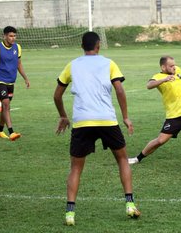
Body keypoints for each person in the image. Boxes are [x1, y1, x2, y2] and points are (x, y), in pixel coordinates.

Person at [53, 31, 140, 226]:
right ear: (98, 45)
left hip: (82, 121)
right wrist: (125, 117)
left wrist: (63, 116)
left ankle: (70, 214)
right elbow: (119, 89)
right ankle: (130, 204)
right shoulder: (109, 63)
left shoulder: (72, 65)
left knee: (76, 168)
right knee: (122, 160)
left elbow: (57, 95)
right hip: (106, 120)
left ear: (82, 47)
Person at [0, 26, 30, 141]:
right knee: (6, 104)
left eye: (14, 36)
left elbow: (19, 64)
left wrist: (25, 78)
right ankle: (11, 132)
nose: (13, 38)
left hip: (11, 81)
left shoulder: (17, 47)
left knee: (5, 107)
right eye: (10, 36)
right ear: (4, 36)